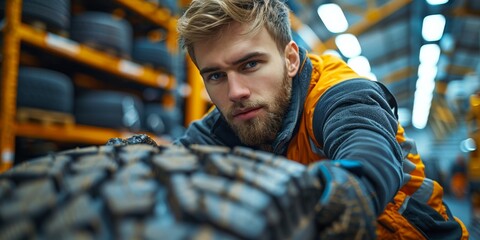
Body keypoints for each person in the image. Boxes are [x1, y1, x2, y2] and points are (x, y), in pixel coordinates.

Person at [174, 0, 469, 238]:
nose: (236, 92)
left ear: (290, 59)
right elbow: (168, 160)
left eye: (250, 64)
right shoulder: (232, 117)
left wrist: (352, 187)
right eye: (216, 75)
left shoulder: (340, 95)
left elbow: (368, 147)